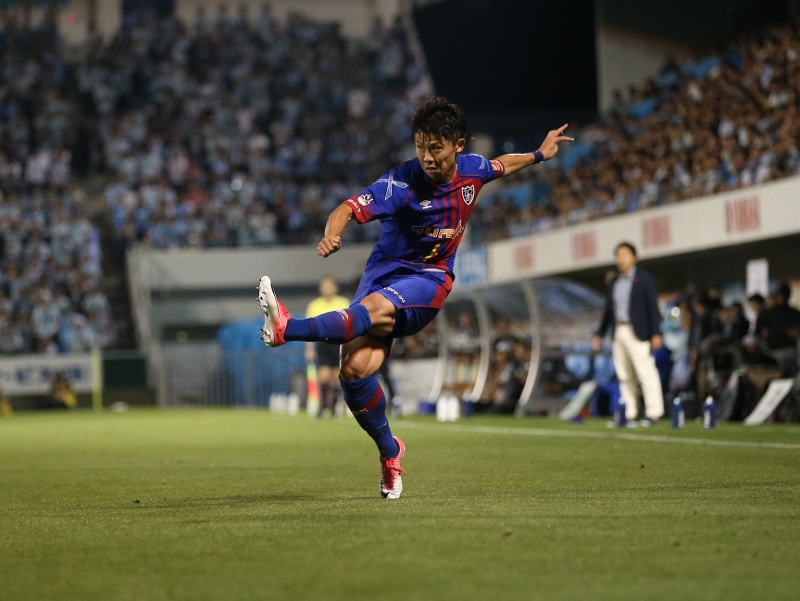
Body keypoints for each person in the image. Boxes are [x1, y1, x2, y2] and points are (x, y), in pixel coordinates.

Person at [257, 96, 572, 499]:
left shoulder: (472, 170)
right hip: (383, 273)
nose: (427, 156)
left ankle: (287, 328)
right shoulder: (400, 183)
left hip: (429, 278)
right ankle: (390, 453)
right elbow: (347, 208)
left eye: (435, 148)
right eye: (421, 146)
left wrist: (539, 154)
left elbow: (503, 164)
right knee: (354, 371)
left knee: (371, 310)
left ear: (458, 145)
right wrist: (332, 234)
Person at [592, 242, 664, 426]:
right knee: (624, 375)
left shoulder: (644, 278)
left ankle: (654, 412)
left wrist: (656, 332)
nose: (622, 259)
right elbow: (608, 310)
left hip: (638, 331)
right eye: (619, 255)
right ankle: (629, 413)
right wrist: (599, 334)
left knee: (646, 371)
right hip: (619, 330)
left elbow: (653, 307)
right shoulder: (615, 281)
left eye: (625, 255)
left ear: (634, 257)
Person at [304, 276, 350, 417]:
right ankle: (323, 405)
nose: (327, 288)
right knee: (323, 376)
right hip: (323, 343)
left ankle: (334, 408)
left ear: (336, 287)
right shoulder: (314, 305)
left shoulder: (343, 303)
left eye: (330, 285)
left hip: (339, 344)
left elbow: (350, 326)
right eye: (324, 285)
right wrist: (309, 349)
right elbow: (309, 329)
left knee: (337, 377)